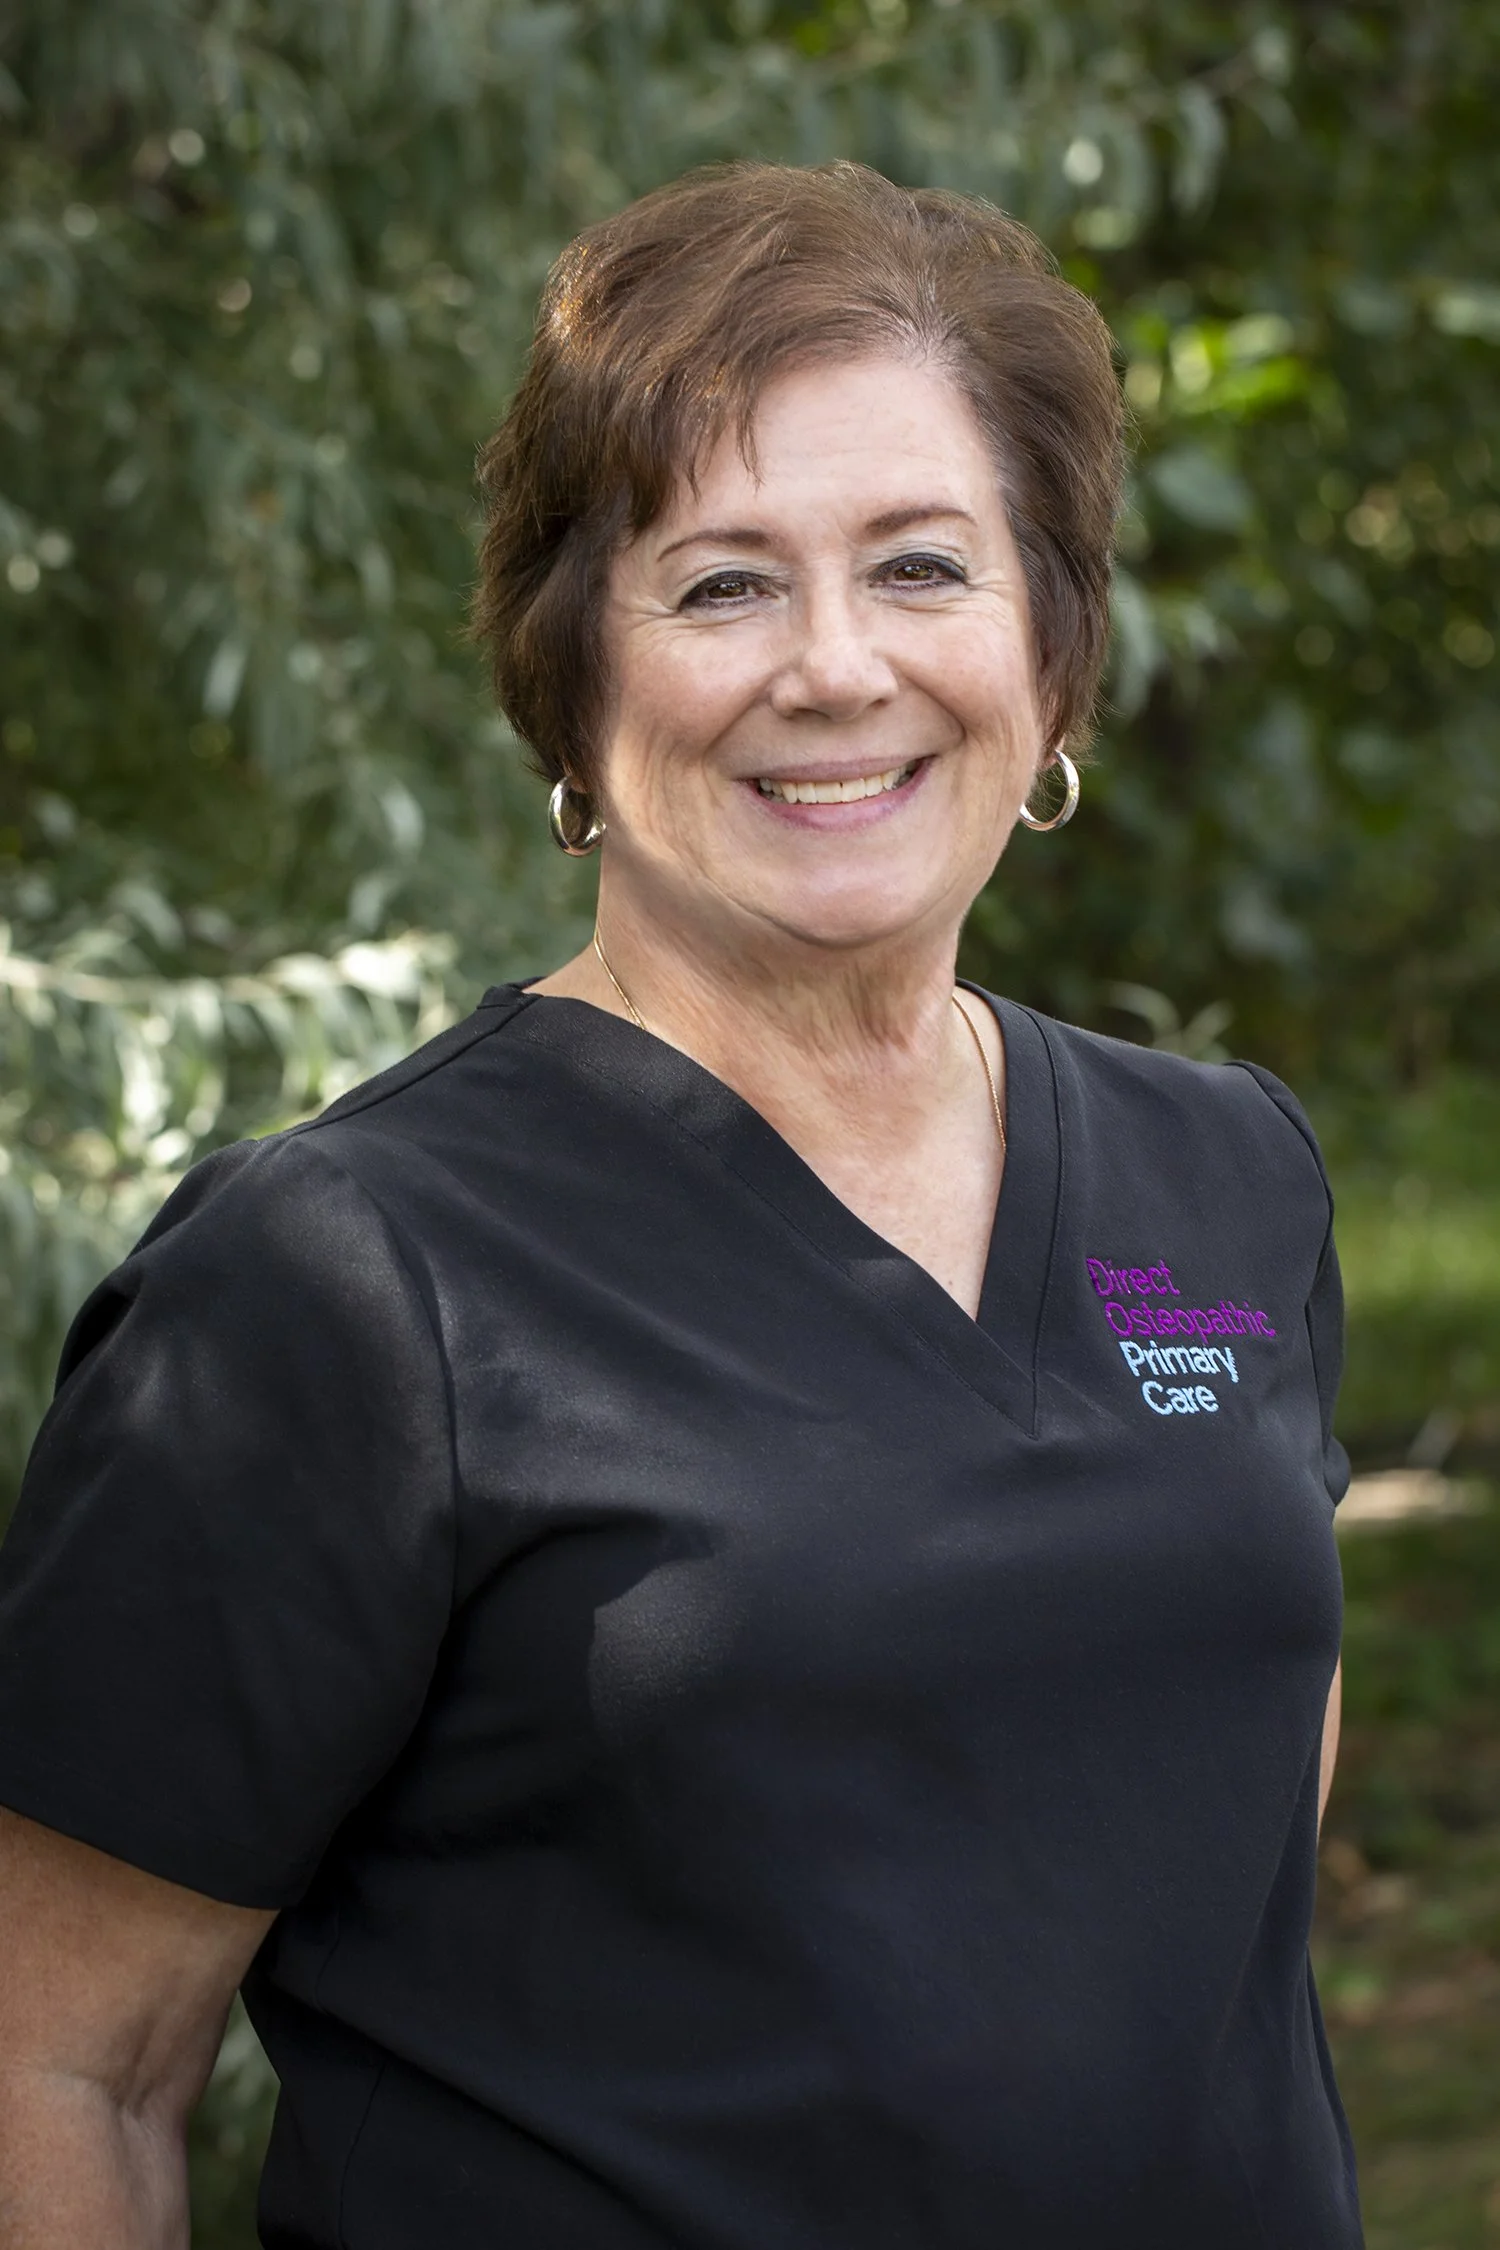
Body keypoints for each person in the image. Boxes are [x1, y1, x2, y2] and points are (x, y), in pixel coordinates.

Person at [0, 161, 1360, 2249]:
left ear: (1051, 645)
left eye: (920, 566)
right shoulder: (344, 1281)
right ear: (574, 675)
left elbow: (1211, 1860)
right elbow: (62, 2059)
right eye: (722, 584)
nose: (833, 667)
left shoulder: (1234, 1174)